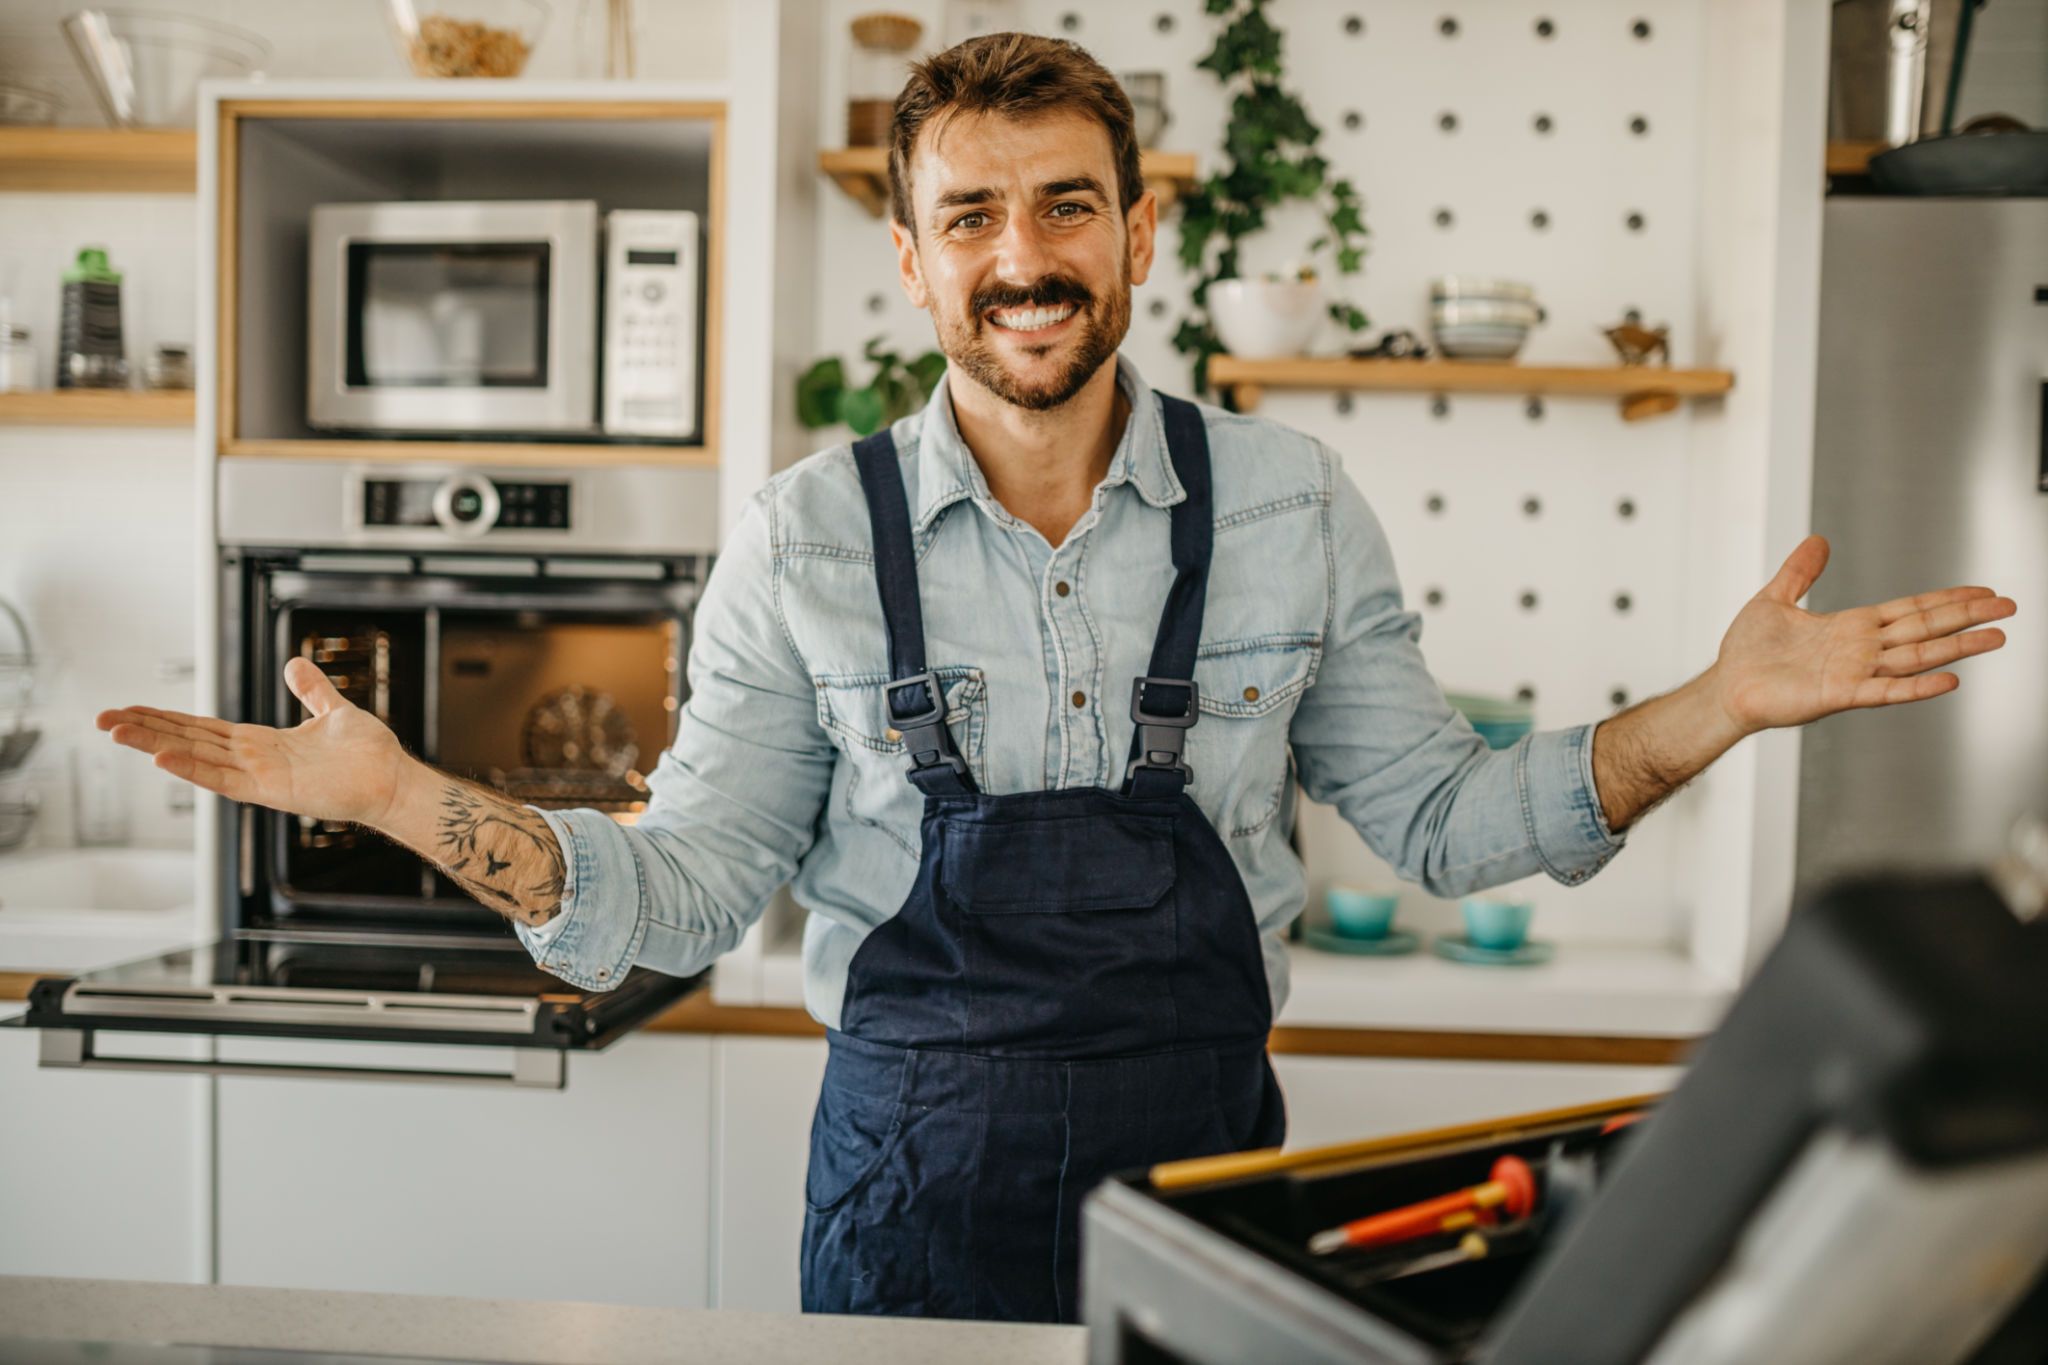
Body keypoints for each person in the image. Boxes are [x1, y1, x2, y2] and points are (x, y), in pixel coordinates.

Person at [99, 32, 2015, 1326]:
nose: (1025, 259)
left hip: (1206, 1201)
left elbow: (1442, 820)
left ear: (1138, 229)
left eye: (1067, 206)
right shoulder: (803, 538)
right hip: (902, 1211)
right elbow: (675, 897)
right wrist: (399, 800)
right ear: (913, 261)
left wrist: (1717, 702)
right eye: (973, 218)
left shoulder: (1289, 504)